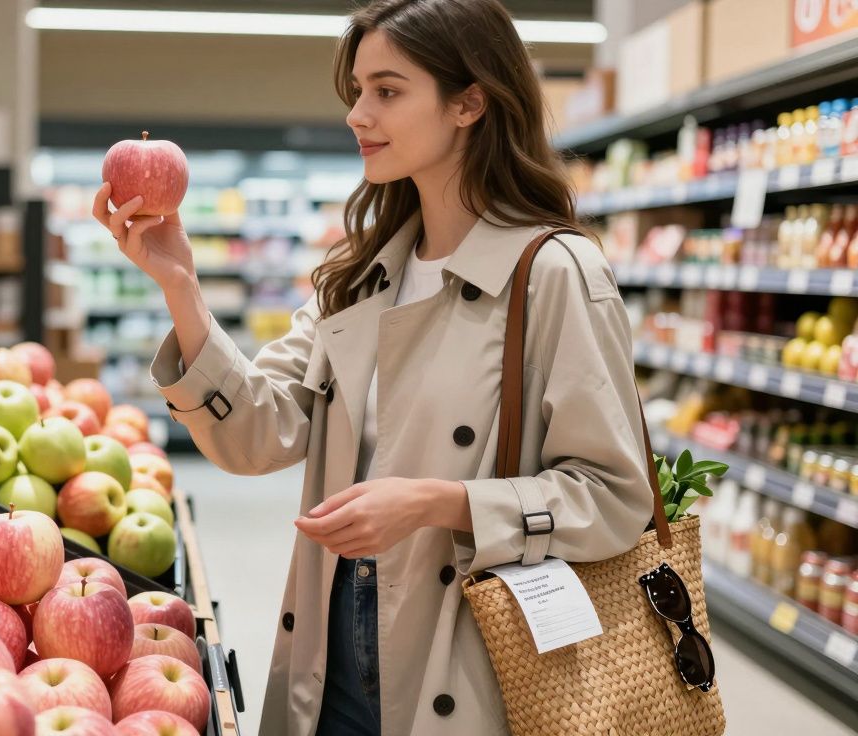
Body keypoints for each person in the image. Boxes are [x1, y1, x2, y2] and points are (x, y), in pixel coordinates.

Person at [92, 0, 654, 733]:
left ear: (469, 103)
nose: (358, 114)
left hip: (467, 654)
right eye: (357, 91)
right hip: (330, 643)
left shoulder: (552, 274)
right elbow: (257, 437)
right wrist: (182, 289)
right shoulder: (359, 278)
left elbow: (613, 496)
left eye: (387, 92)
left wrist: (439, 502)